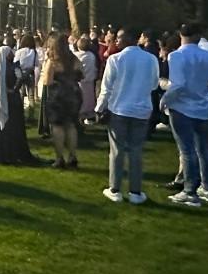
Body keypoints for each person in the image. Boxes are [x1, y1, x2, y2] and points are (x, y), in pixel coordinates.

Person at [162, 23, 208, 207]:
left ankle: (190, 191)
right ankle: (207, 188)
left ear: (181, 34)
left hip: (182, 108)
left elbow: (179, 84)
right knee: (204, 150)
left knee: (187, 150)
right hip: (203, 107)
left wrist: (165, 98)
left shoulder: (177, 55)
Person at [96, 28, 158, 204]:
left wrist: (99, 108)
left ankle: (114, 188)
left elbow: (106, 87)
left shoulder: (116, 59)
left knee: (117, 150)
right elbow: (154, 84)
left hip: (120, 109)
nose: (115, 42)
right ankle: (135, 192)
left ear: (123, 40)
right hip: (141, 110)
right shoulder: (150, 59)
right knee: (136, 151)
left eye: (118, 39)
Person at [0, 44, 39, 166]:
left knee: (1, 128)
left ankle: (0, 154)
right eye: (10, 52)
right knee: (12, 127)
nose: (13, 54)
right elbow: (18, 82)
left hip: (0, 102)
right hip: (12, 101)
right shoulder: (12, 68)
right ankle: (12, 153)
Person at [42, 35, 84, 169]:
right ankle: (72, 156)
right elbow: (82, 75)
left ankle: (59, 158)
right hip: (73, 94)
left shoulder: (53, 61)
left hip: (58, 96)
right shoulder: (75, 59)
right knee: (71, 126)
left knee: (58, 127)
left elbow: (46, 81)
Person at [73, 36, 98, 122]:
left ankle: (80, 116)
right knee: (89, 99)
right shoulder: (92, 55)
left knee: (81, 99)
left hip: (79, 81)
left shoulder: (76, 55)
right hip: (90, 80)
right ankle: (89, 117)